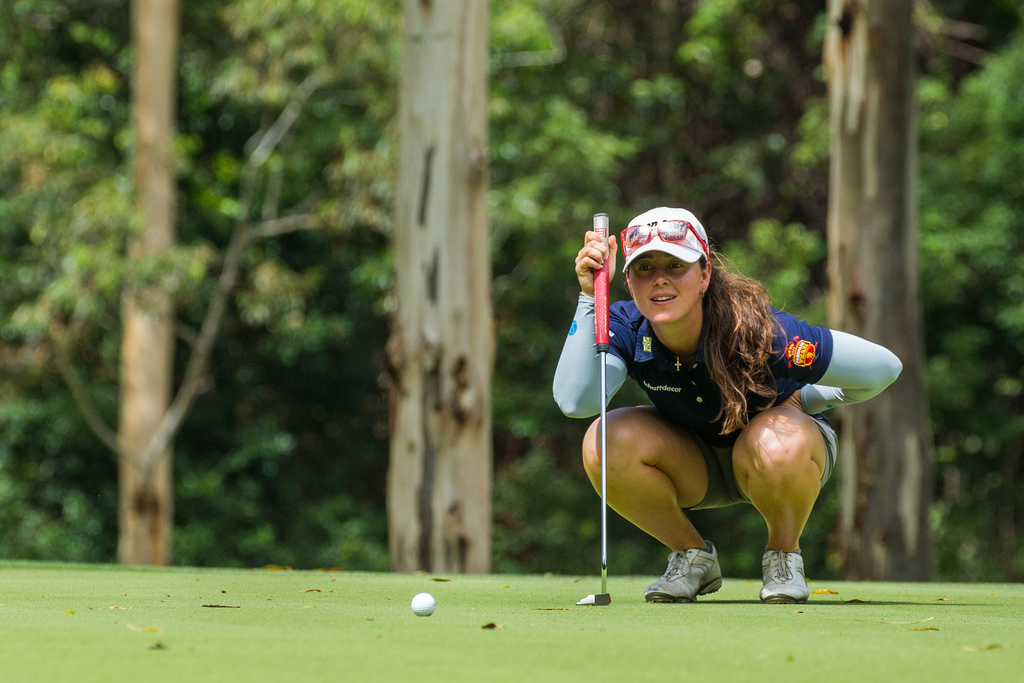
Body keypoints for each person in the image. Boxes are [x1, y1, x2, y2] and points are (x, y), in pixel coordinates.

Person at [553, 207, 902, 604]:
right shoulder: (626, 328)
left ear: (704, 275)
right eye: (645, 268)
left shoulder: (761, 330)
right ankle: (692, 556)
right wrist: (589, 297)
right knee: (602, 440)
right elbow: (576, 400)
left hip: (778, 457)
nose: (660, 279)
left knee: (774, 443)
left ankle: (783, 556)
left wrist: (807, 397)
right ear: (629, 282)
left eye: (676, 265)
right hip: (694, 462)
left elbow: (883, 369)